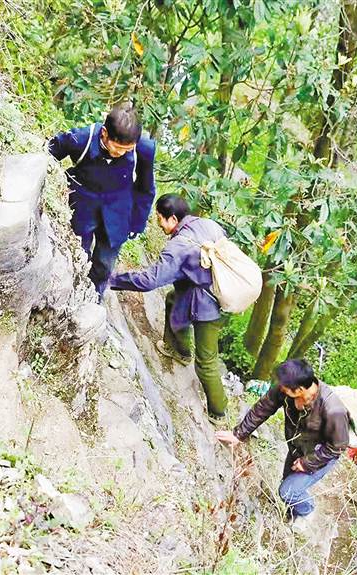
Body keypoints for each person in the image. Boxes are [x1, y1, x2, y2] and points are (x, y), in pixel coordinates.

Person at [109, 193, 228, 421]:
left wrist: (113, 280)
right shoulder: (208, 224)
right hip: (214, 290)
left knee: (206, 362)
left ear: (172, 219)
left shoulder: (178, 246)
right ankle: (180, 351)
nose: (158, 224)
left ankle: (218, 411)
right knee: (173, 300)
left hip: (208, 306)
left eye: (160, 219)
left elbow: (149, 281)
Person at [216, 359, 350, 533]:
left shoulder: (333, 410)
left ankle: (307, 511)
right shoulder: (286, 390)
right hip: (296, 447)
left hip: (319, 456)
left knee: (288, 492)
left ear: (300, 390)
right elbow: (263, 408)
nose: (280, 388)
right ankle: (293, 514)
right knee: (287, 485)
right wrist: (238, 434)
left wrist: (307, 463)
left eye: (284, 387)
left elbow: (337, 447)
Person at [48, 102, 156, 298]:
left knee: (104, 265)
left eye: (127, 149)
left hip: (118, 213)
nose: (121, 153)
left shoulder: (143, 151)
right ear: (104, 133)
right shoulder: (82, 139)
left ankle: (94, 297)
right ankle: (70, 295)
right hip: (81, 206)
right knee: (78, 254)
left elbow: (146, 189)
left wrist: (137, 223)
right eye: (117, 148)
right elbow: (50, 152)